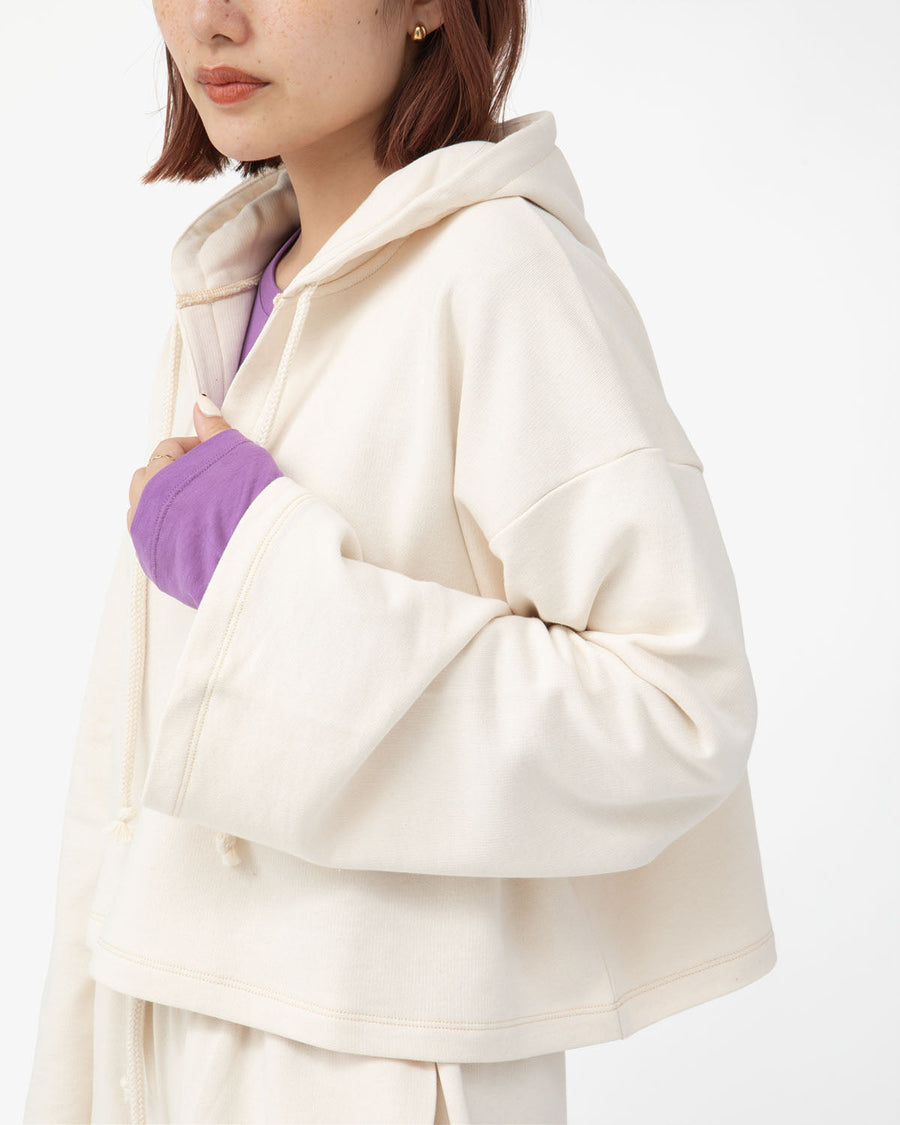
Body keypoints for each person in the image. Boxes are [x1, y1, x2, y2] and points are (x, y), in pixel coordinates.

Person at [23, 0, 777, 1121]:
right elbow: (123, 773)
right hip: (163, 1042)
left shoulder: (500, 271)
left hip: (371, 1069)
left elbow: (677, 712)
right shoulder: (227, 290)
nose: (212, 21)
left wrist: (261, 574)